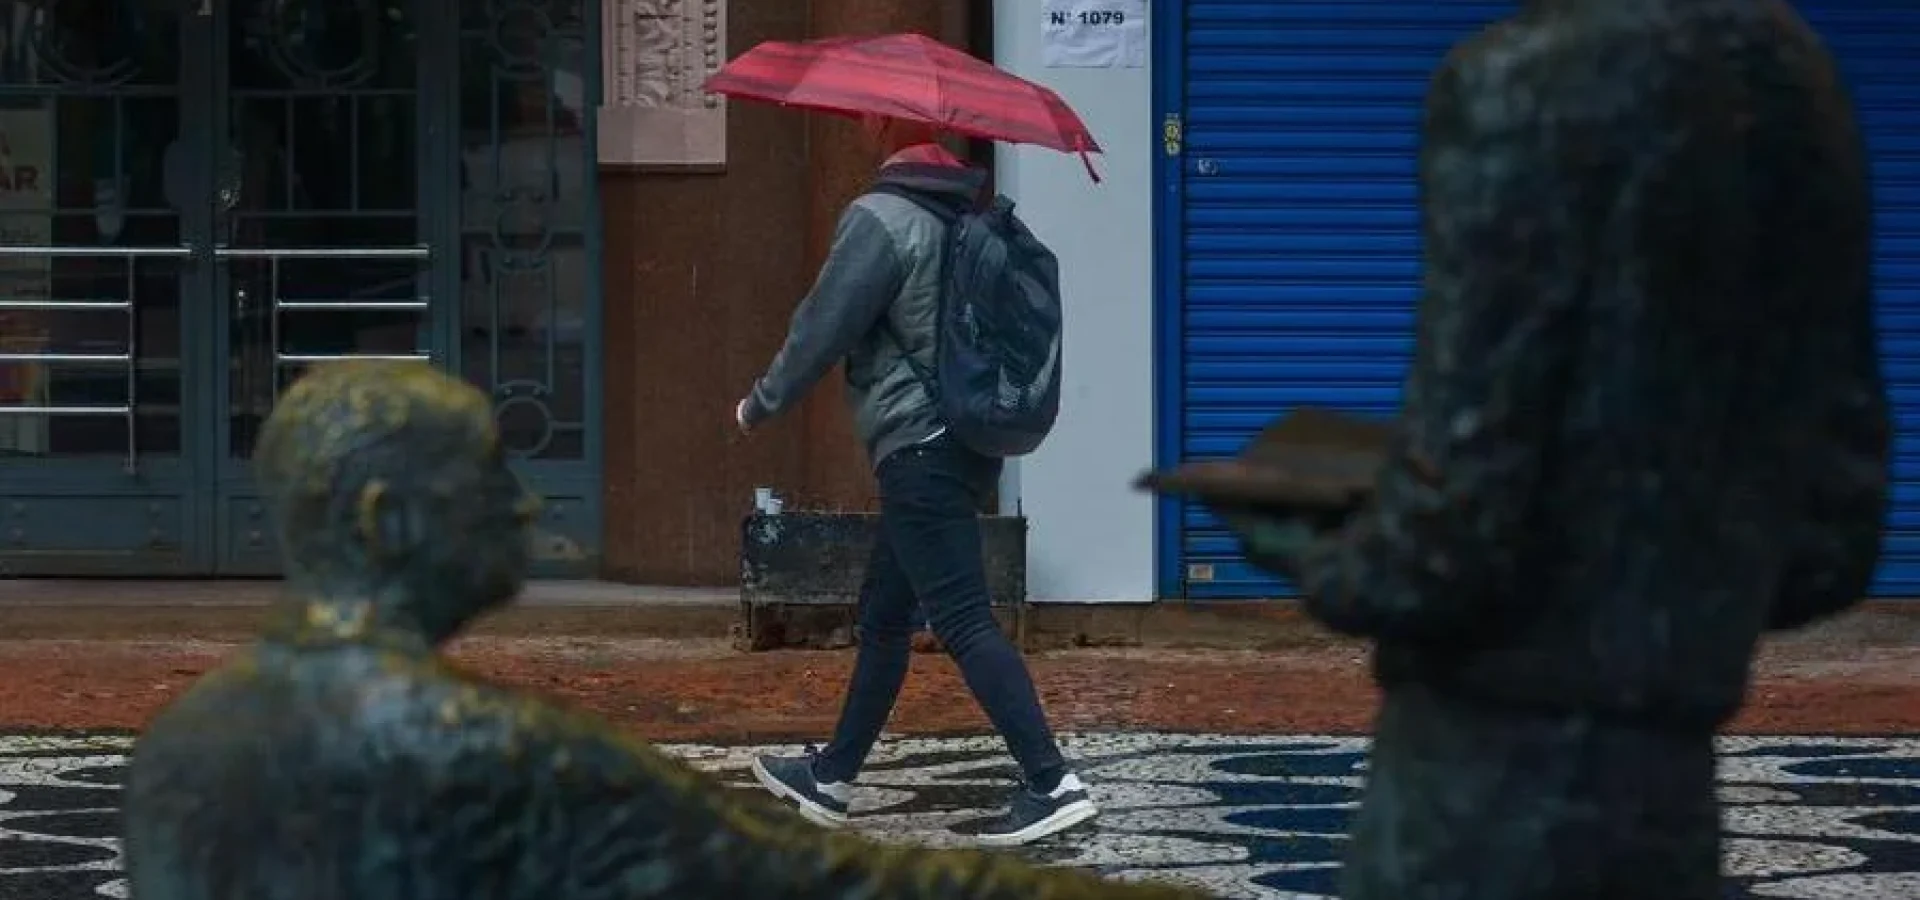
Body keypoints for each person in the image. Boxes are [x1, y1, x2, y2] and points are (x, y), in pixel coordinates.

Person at [1210, 1, 1889, 898]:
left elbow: (1447, 541)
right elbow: (1832, 538)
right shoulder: (1795, 82)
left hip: (1477, 803)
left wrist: (1305, 537)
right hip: (1669, 798)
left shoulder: (1519, 82)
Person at [121, 360, 1205, 900]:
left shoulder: (186, 743)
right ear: (383, 521)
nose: (524, 508)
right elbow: (828, 881)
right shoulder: (478, 752)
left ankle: (846, 762)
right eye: (483, 477)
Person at [734, 115, 1094, 847]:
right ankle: (833, 778)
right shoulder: (963, 215)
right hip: (964, 442)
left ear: (882, 126)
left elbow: (821, 325)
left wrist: (761, 400)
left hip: (918, 447)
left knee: (961, 618)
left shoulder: (884, 218)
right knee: (885, 617)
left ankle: (1051, 781)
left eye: (870, 122)